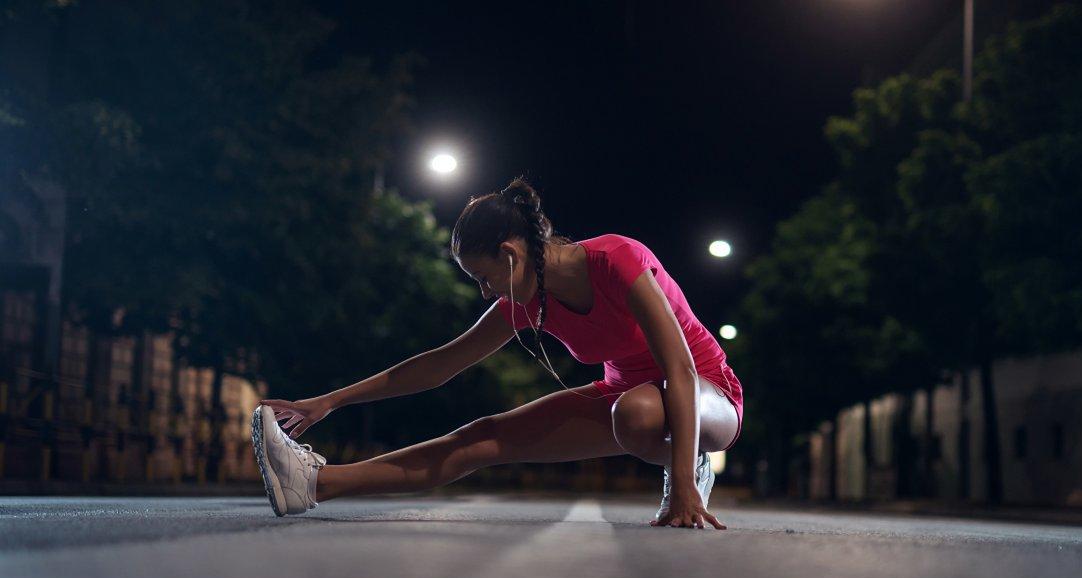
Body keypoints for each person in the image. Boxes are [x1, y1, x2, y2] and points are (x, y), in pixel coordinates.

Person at [252, 177, 744, 529]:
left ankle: (691, 464)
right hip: (625, 400)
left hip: (707, 393)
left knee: (637, 411)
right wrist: (330, 401)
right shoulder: (524, 303)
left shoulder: (618, 260)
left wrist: (682, 484)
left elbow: (680, 369)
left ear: (510, 254)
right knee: (481, 438)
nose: (486, 292)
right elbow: (439, 364)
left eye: (484, 278)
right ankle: (314, 484)